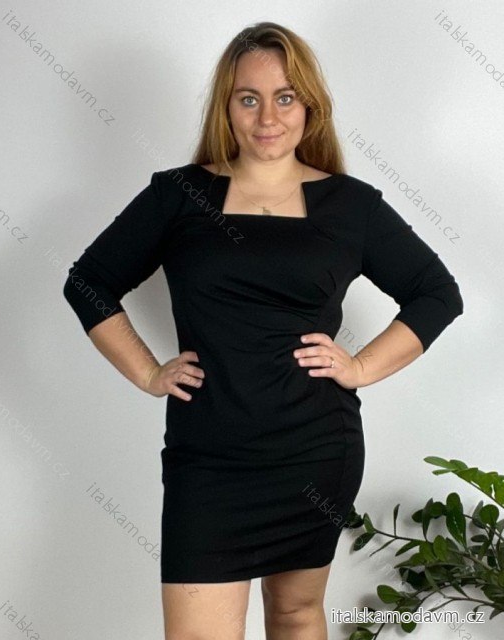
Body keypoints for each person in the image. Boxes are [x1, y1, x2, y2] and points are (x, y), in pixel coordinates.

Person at [63, 20, 464, 640]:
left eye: (285, 97)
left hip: (314, 451)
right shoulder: (179, 195)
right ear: (227, 107)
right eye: (248, 98)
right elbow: (88, 282)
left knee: (295, 614)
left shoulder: (351, 205)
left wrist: (359, 367)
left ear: (309, 105)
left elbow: (437, 294)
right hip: (207, 459)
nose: (268, 117)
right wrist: (147, 371)